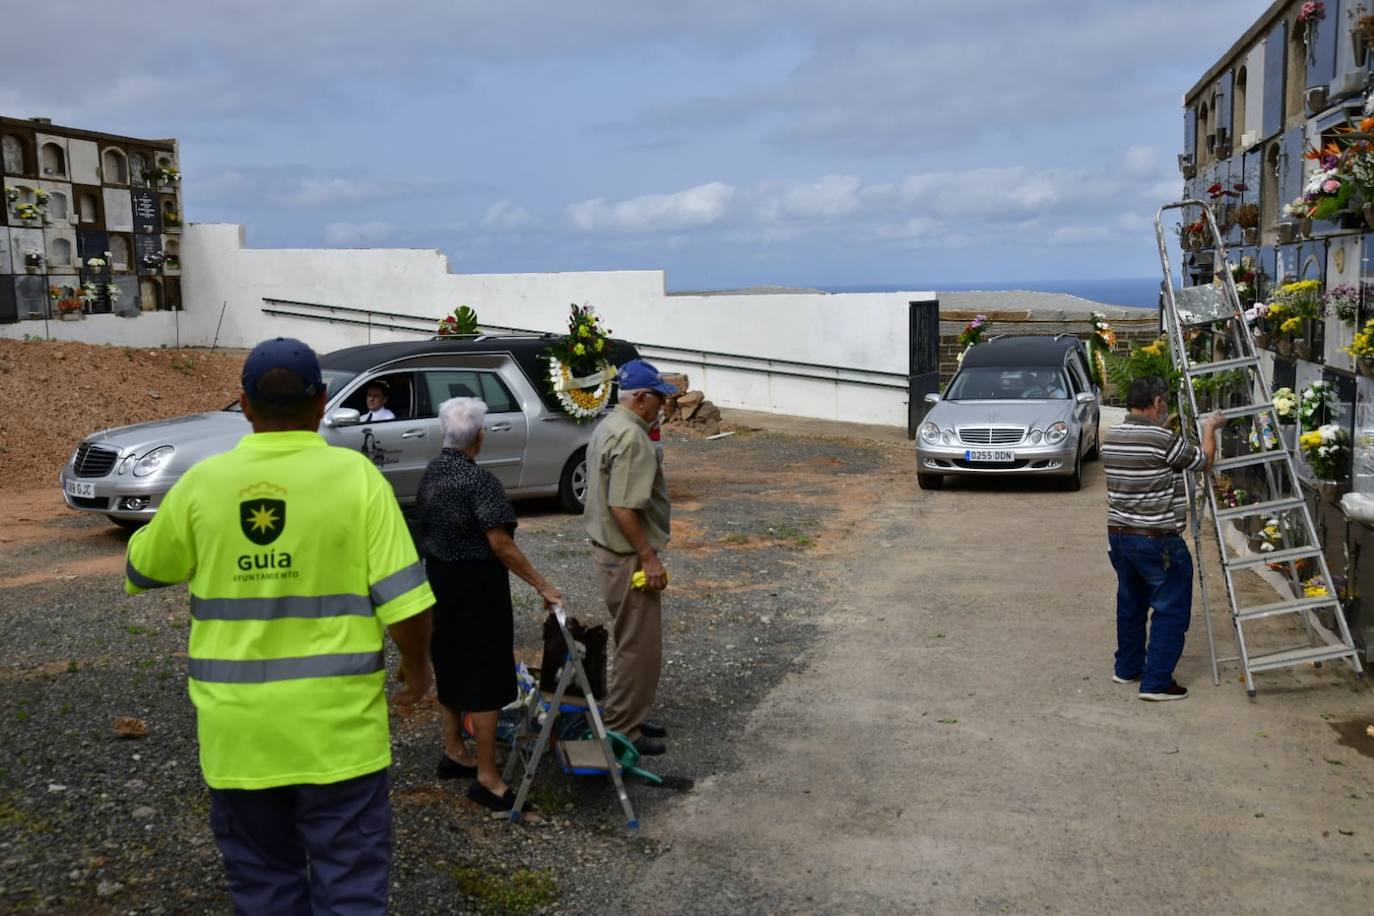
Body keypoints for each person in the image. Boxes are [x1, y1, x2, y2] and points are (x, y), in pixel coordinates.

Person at [124, 337, 435, 914]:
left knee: (264, 884)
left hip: (239, 737)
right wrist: (418, 671)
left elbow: (143, 568)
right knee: (351, 885)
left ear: (243, 404)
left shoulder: (202, 483)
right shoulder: (358, 479)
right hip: (338, 734)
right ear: (321, 404)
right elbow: (408, 604)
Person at [415, 396, 562, 810]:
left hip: (439, 581)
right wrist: (542, 585)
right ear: (479, 436)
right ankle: (487, 777)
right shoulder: (480, 482)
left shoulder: (431, 474)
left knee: (450, 661)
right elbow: (501, 543)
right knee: (485, 676)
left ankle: (453, 752)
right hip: (477, 587)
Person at [1102, 375, 1224, 702]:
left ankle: (1127, 669)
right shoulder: (1161, 438)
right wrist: (1210, 428)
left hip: (1120, 536)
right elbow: (1203, 461)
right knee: (1170, 607)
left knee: (1131, 604)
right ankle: (1156, 681)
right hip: (1157, 539)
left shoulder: (1112, 437)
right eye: (1164, 405)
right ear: (1157, 403)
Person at [583, 359, 677, 755]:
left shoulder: (609, 426)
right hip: (626, 556)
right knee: (637, 645)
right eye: (658, 398)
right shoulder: (633, 438)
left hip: (608, 552)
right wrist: (649, 558)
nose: (662, 407)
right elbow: (624, 507)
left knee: (630, 640)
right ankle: (624, 729)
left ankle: (630, 715)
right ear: (640, 398)